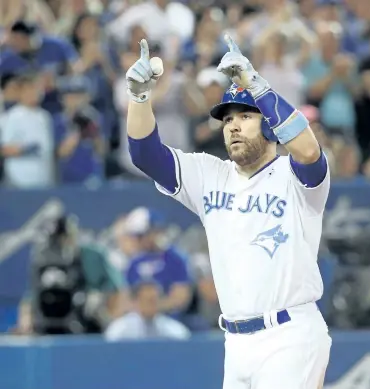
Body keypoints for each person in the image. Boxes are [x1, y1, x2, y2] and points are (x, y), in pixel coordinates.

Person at [125, 34, 331, 389]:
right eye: (227, 119)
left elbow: (309, 151)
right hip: (235, 342)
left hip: (289, 335)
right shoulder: (210, 175)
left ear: (268, 123)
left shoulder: (293, 176)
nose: (233, 125)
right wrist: (140, 98)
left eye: (245, 116)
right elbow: (146, 155)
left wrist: (256, 85)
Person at [105, 279, 191, 341]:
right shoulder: (120, 328)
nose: (151, 304)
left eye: (155, 300)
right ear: (136, 301)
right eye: (147, 300)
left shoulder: (173, 329)